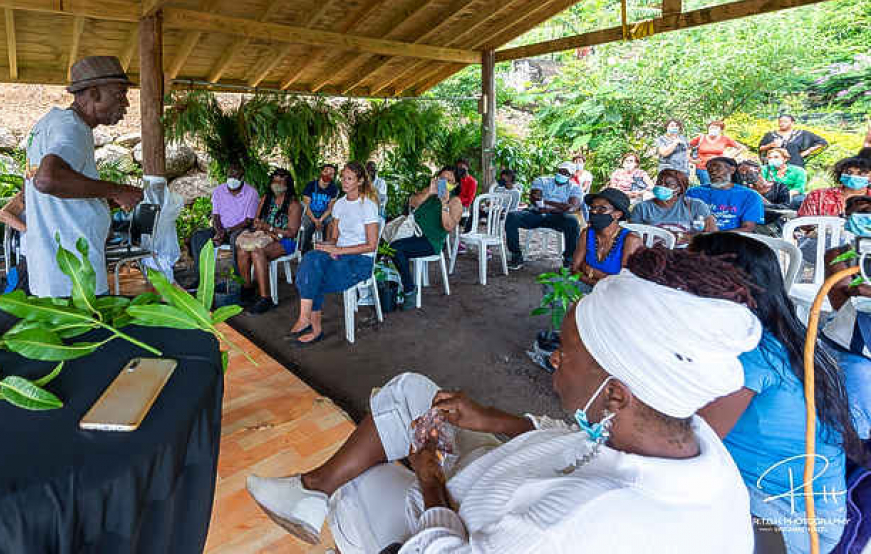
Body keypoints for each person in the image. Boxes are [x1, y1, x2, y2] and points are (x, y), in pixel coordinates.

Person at [246, 271, 760, 553]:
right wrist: (490, 419)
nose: (555, 357)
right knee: (411, 392)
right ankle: (309, 490)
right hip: (497, 467)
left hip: (457, 515)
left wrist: (429, 481)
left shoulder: (567, 528)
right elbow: (570, 436)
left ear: (617, 392)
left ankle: (326, 496)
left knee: (362, 485)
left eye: (566, 349)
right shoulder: (683, 437)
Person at [675, 236, 865, 554]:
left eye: (686, 273)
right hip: (802, 512)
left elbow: (689, 443)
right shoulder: (788, 337)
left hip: (784, 522)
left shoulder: (751, 354)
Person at [26, 56, 142, 297]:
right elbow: (47, 180)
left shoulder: (48, 124)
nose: (126, 104)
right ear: (93, 93)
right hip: (74, 275)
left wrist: (101, 200)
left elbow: (59, 191)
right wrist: (117, 190)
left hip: (55, 271)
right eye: (119, 95)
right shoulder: (72, 126)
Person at [288, 162, 379, 345]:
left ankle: (314, 329)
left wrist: (338, 250)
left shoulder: (368, 206)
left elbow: (371, 245)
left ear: (360, 181)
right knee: (311, 257)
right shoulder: (339, 204)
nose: (344, 182)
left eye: (349, 178)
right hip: (340, 255)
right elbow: (335, 238)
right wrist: (327, 246)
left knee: (314, 278)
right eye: (343, 178)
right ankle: (306, 319)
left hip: (360, 261)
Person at [820, 196, 871, 439]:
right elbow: (847, 294)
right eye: (863, 213)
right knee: (856, 424)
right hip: (855, 346)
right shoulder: (841, 255)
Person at [389, 167, 463, 306]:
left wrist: (444, 203)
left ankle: (409, 290)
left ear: (455, 185)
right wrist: (429, 191)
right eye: (442, 179)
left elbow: (448, 227)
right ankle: (387, 286)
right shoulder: (430, 192)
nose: (444, 183)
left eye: (449, 180)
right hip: (412, 233)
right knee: (384, 245)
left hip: (431, 242)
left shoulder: (455, 202)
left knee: (395, 248)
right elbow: (412, 202)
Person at [235, 168, 302, 315]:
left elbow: (292, 232)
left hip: (285, 242)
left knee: (258, 253)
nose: (276, 185)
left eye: (281, 182)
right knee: (242, 250)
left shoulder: (293, 204)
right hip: (264, 236)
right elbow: (256, 220)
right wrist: (260, 226)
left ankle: (265, 298)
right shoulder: (266, 199)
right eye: (274, 181)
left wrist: (270, 228)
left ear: (287, 185)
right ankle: (247, 289)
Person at [188, 164, 260, 283]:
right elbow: (215, 216)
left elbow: (248, 221)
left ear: (242, 178)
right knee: (198, 237)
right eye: (229, 176)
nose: (232, 179)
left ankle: (239, 281)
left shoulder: (252, 193)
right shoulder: (219, 191)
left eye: (235, 176)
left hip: (241, 229)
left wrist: (226, 232)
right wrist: (219, 231)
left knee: (235, 239)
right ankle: (201, 278)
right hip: (221, 229)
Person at [505, 162, 583, 269]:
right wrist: (560, 205)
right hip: (536, 214)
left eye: (566, 173)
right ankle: (516, 256)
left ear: (571, 176)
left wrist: (547, 203)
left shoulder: (574, 187)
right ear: (557, 170)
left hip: (557, 217)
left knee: (572, 221)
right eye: (561, 171)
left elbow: (572, 207)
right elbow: (535, 198)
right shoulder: (542, 180)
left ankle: (569, 260)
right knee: (512, 217)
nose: (562, 174)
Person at [571, 188, 642, 286]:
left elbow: (623, 283)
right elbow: (574, 269)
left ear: (617, 214)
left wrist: (589, 271)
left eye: (602, 209)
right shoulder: (587, 233)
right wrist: (602, 278)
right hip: (587, 285)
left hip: (614, 295)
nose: (594, 212)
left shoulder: (631, 240)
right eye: (592, 208)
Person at [629, 168, 716, 243]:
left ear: (679, 189)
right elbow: (633, 236)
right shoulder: (641, 208)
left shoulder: (696, 206)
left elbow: (712, 234)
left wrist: (684, 237)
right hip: (654, 253)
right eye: (659, 182)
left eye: (668, 185)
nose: (661, 186)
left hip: (688, 254)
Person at [687, 157, 764, 232]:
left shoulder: (750, 195)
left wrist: (713, 236)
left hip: (731, 240)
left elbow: (748, 228)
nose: (713, 172)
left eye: (718, 168)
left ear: (732, 170)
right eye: (709, 170)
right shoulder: (694, 192)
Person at [798, 156, 871, 218]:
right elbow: (804, 224)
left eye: (862, 174)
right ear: (840, 174)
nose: (853, 176)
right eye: (848, 172)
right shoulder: (818, 196)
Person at [758, 113, 828, 168]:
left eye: (785, 121)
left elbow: (822, 142)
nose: (782, 123)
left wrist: (806, 152)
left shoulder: (802, 134)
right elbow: (760, 148)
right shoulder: (770, 135)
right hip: (775, 165)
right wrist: (770, 145)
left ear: (792, 123)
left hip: (796, 164)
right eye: (780, 121)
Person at [690, 120, 744, 186]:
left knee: (720, 186)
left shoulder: (725, 139)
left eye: (716, 128)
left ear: (720, 130)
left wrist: (730, 156)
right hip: (703, 168)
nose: (713, 130)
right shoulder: (700, 138)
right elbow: (685, 147)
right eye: (711, 128)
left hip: (720, 169)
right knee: (707, 186)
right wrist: (691, 160)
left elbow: (741, 148)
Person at [301, 164, 341, 249]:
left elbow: (331, 208)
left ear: (333, 176)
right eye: (326, 171)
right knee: (307, 224)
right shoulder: (310, 186)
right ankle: (304, 248)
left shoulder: (334, 189)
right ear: (321, 172)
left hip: (324, 214)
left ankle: (327, 248)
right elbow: (306, 206)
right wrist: (315, 220)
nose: (327, 175)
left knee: (331, 223)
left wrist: (321, 219)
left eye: (331, 173)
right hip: (310, 213)